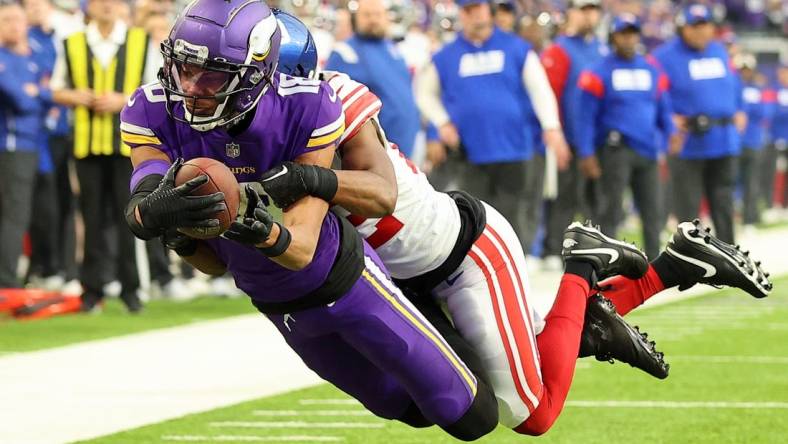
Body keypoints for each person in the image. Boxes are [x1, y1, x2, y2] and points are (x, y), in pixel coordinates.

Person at [266, 11, 774, 437]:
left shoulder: (328, 106)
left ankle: (583, 263)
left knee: (531, 413)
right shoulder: (255, 132)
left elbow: (373, 192)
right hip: (412, 277)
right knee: (508, 367)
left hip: (465, 257)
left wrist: (296, 180)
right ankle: (670, 266)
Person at [122, 1, 498, 440]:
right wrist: (167, 226)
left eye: (212, 75)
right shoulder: (150, 110)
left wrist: (260, 222)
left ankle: (435, 316)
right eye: (183, 68)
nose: (191, 86)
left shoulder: (305, 105)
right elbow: (213, 262)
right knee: (407, 411)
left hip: (343, 282)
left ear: (257, 71)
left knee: (472, 418)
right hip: (277, 307)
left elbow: (300, 249)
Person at [416, 0, 571, 256]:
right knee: (475, 217)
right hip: (470, 151)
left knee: (514, 213)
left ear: (489, 11)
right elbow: (424, 93)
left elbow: (539, 89)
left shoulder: (516, 48)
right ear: (461, 15)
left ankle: (517, 267)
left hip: (514, 147)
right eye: (468, 10)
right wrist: (441, 121)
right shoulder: (446, 56)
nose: (474, 15)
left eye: (479, 8)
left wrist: (551, 127)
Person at [51, 0, 158, 312]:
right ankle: (92, 291)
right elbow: (57, 88)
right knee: (92, 218)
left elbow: (154, 89)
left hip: (129, 145)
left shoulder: (139, 40)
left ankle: (131, 290)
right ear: (89, 7)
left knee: (130, 216)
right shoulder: (72, 43)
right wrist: (75, 96)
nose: (107, 5)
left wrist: (122, 100)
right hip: (86, 145)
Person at [575, 14, 677, 259]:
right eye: (624, 33)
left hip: (648, 150)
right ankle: (607, 262)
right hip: (615, 149)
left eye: (633, 33)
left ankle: (654, 264)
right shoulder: (598, 71)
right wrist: (586, 152)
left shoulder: (651, 70)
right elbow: (585, 117)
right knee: (610, 210)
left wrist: (670, 132)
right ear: (613, 37)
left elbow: (663, 106)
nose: (629, 39)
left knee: (653, 211)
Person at [652, 3, 746, 244]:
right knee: (687, 206)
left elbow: (734, 85)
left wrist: (740, 110)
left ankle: (729, 256)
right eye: (695, 27)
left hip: (723, 139)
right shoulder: (663, 57)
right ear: (682, 28)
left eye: (705, 26)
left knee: (723, 202)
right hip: (687, 142)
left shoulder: (719, 51)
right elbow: (652, 94)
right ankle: (689, 260)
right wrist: (668, 118)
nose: (701, 32)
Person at [540, 0, 607, 270]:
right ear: (570, 14)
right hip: (569, 137)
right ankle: (553, 249)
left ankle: (597, 249)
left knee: (598, 199)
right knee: (565, 198)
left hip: (600, 139)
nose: (589, 15)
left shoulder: (603, 49)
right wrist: (557, 136)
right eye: (583, 9)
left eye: (593, 9)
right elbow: (550, 96)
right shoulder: (560, 50)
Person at [325, 0, 421, 158]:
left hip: (407, 145)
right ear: (355, 18)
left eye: (378, 14)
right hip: (374, 151)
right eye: (367, 15)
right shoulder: (345, 52)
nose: (373, 19)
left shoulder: (393, 50)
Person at [0, 1, 51, 288]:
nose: (14, 25)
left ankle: (20, 276)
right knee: (14, 215)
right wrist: (35, 94)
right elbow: (21, 100)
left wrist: (37, 93)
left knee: (24, 214)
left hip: (33, 146)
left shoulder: (33, 58)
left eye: (18, 20)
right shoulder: (2, 58)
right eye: (6, 20)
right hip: (11, 146)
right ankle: (6, 283)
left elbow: (46, 96)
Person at [734, 53, 772, 229]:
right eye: (742, 69)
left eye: (747, 69)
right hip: (734, 143)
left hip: (752, 141)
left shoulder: (757, 89)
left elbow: (764, 113)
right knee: (731, 181)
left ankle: (749, 218)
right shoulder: (733, 87)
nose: (745, 72)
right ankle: (736, 214)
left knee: (750, 181)